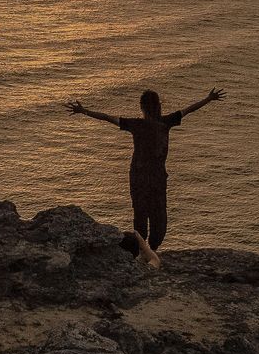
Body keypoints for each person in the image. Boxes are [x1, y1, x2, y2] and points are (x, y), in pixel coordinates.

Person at [65, 87, 225, 251]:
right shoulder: (166, 121)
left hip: (139, 176)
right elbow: (190, 109)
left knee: (141, 214)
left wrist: (83, 111)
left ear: (142, 107)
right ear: (159, 106)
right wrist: (208, 98)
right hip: (156, 177)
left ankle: (141, 250)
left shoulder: (136, 124)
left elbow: (106, 117)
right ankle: (152, 250)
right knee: (158, 214)